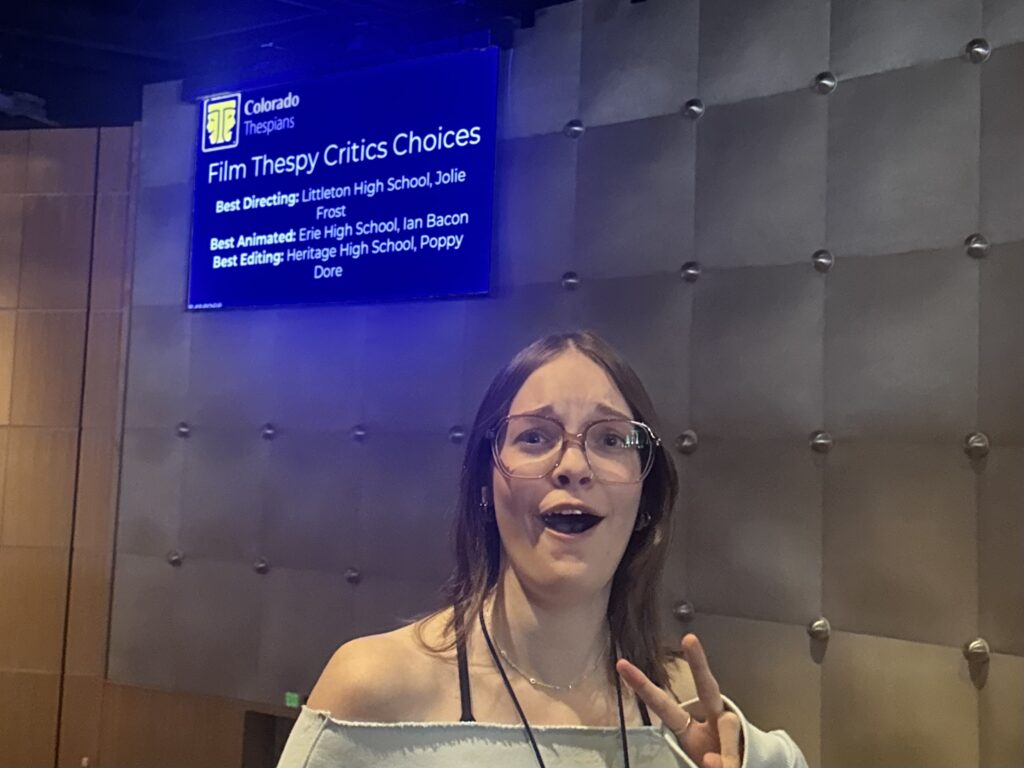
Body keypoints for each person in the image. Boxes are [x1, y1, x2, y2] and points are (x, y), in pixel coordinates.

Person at [276, 331, 808, 768]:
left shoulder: (681, 704)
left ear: (646, 497)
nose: (573, 466)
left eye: (610, 439)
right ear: (485, 487)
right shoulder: (374, 689)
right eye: (534, 437)